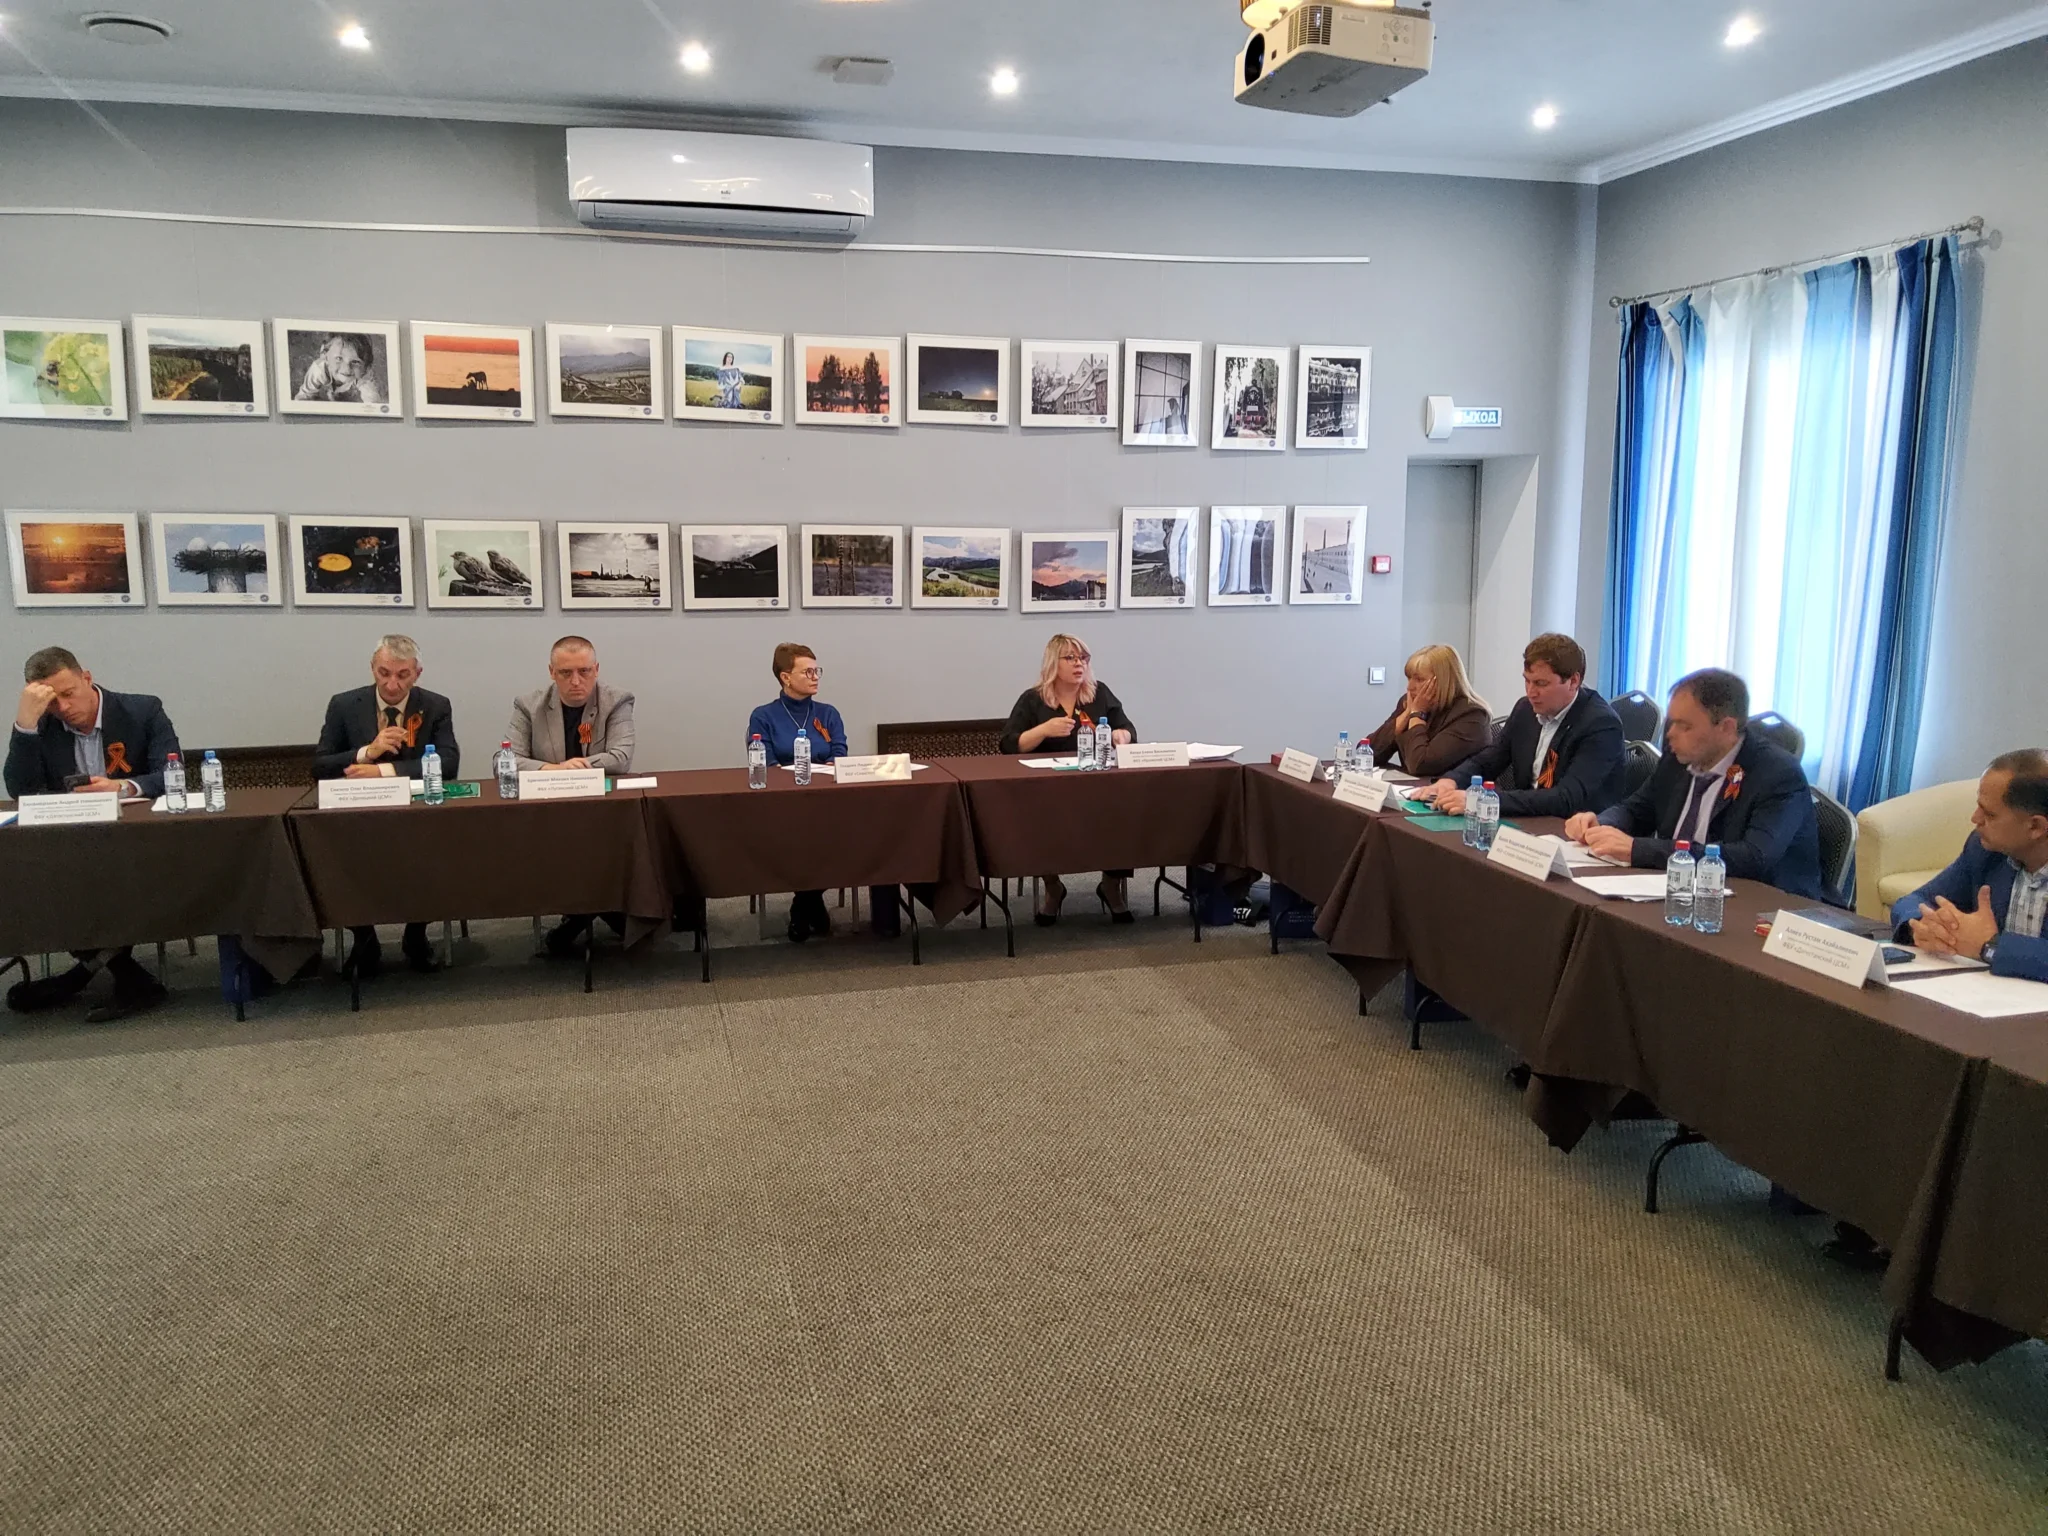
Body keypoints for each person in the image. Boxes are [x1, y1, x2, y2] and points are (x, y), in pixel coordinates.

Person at [4, 646, 180, 1022]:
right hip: (70, 845)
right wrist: (25, 724)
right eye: (51, 702)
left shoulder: (142, 710)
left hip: (136, 844)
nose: (63, 707)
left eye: (68, 694)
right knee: (36, 878)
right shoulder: (42, 726)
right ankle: (127, 977)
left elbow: (171, 775)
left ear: (86, 677)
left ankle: (88, 973)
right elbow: (21, 790)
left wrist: (123, 787)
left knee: (99, 880)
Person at [1565, 667, 1823, 900]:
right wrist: (1602, 823)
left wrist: (1638, 849)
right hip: (1678, 890)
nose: (1670, 734)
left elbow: (1753, 857)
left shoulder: (1777, 774)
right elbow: (1637, 809)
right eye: (1671, 722)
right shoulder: (1679, 756)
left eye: (1684, 726)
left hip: (1764, 903)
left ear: (1726, 727)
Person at [313, 635, 460, 975]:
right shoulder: (344, 705)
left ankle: (416, 935)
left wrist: (381, 771)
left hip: (415, 817)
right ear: (372, 669)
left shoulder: (435, 706)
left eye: (403, 675)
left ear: (417, 673)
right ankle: (364, 938)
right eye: (384, 673)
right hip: (358, 817)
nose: (392, 684)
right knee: (334, 854)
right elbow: (320, 766)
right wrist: (368, 752)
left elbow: (448, 764)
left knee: (437, 849)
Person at [509, 636, 636, 956]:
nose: (576, 681)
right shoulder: (528, 705)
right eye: (566, 673)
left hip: (603, 814)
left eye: (584, 671)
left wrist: (574, 767)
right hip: (549, 815)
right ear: (551, 672)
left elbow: (621, 758)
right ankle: (601, 912)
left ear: (597, 670)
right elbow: (505, 762)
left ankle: (580, 917)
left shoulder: (617, 701)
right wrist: (553, 769)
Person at [999, 634, 1138, 925]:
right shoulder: (1033, 700)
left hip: (1097, 786)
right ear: (1054, 663)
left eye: (1083, 658)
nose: (1079, 664)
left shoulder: (1099, 694)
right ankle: (1053, 888)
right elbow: (1009, 745)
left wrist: (1121, 735)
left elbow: (1128, 729)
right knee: (1037, 820)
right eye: (1071, 658)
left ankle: (1111, 886)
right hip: (1048, 791)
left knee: (1125, 810)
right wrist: (1043, 731)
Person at [1419, 633, 1626, 818]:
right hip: (1529, 819)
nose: (1530, 692)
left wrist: (1484, 802)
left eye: (1541, 684)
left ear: (1573, 681)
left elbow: (1565, 798)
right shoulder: (1525, 709)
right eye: (1527, 681)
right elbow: (1489, 760)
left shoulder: (1601, 725)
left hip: (1575, 829)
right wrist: (1451, 781)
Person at [1892, 748, 2048, 982]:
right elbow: (1915, 900)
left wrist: (1990, 946)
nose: (1975, 819)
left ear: (2036, 827)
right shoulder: (1985, 851)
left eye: (1990, 814)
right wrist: (1924, 925)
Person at [746, 643, 850, 943]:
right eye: (807, 672)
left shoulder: (828, 714)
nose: (815, 677)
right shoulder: (763, 716)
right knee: (805, 835)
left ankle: (803, 903)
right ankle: (811, 902)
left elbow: (838, 754)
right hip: (782, 806)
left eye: (817, 671)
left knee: (842, 834)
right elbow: (766, 763)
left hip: (826, 803)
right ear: (786, 677)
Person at [1366, 643, 1492, 780]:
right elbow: (1367, 755)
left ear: (1443, 681)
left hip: (1457, 791)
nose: (1409, 687)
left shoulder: (1472, 716)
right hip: (1415, 788)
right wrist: (1405, 715)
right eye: (1409, 678)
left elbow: (1420, 766)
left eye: (1419, 679)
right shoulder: (1410, 703)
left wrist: (1416, 716)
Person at [295, 332, 382, 405]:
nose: (347, 369)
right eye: (339, 358)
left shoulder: (364, 374)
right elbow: (303, 398)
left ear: (366, 365)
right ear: (324, 355)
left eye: (355, 362)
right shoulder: (318, 370)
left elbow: (373, 403)